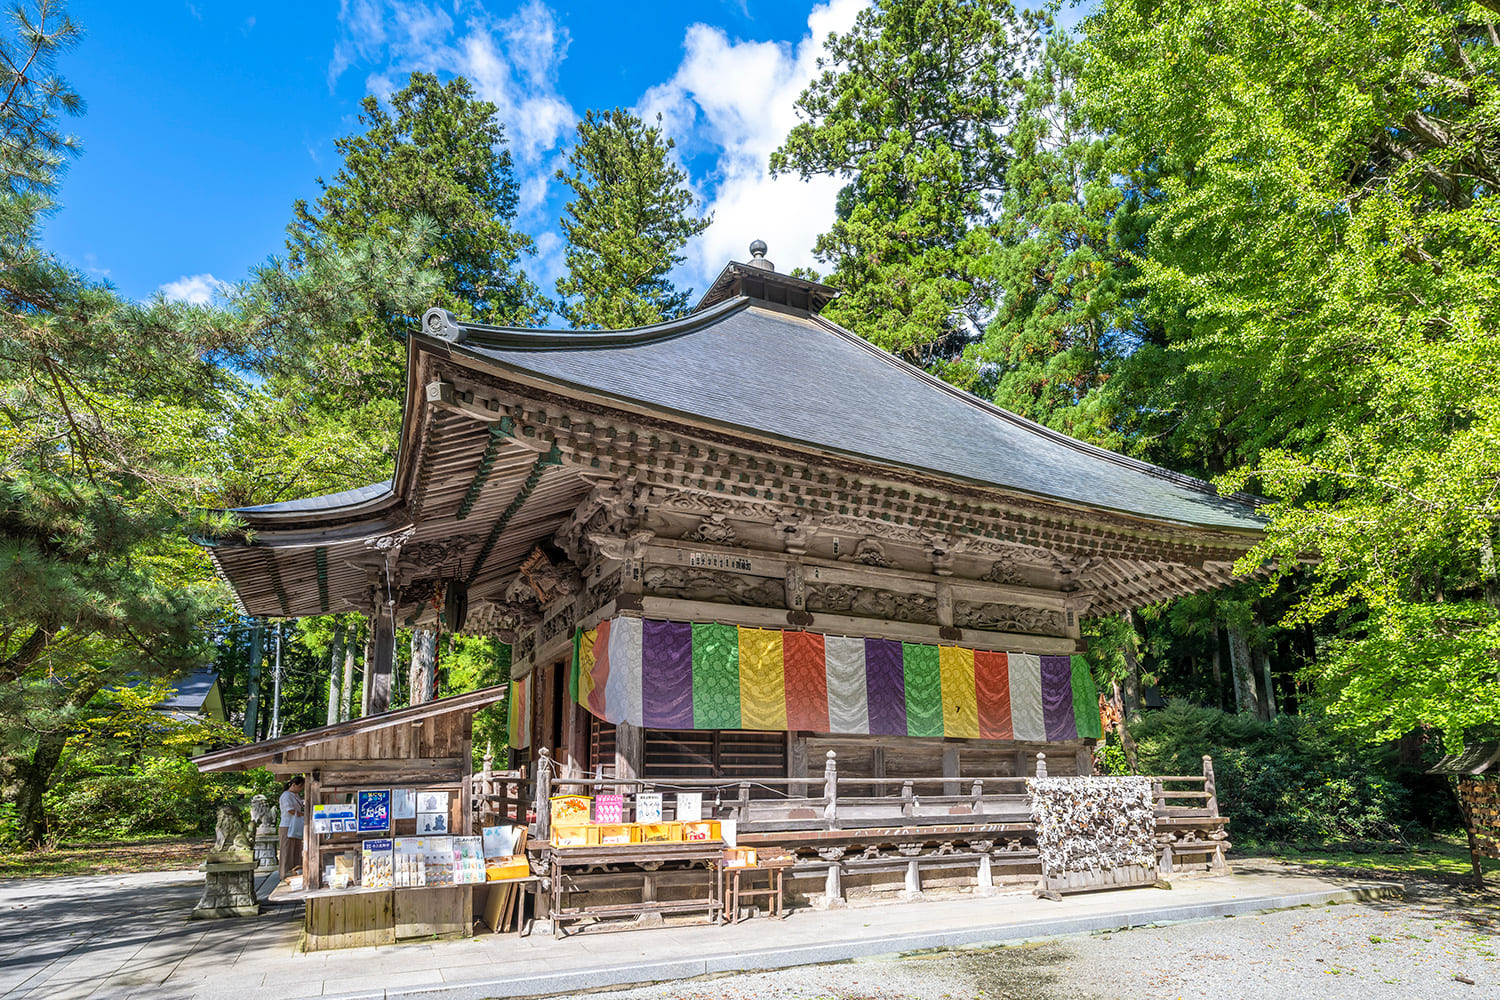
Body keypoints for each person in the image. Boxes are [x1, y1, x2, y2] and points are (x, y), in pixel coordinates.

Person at [278, 775, 305, 879]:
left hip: (296, 825)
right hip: (287, 826)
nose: (301, 790)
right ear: (294, 785)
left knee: (296, 850)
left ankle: (296, 872)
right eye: (300, 787)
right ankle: (284, 875)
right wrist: (303, 814)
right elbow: (290, 810)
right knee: (286, 851)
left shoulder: (296, 795)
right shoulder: (286, 796)